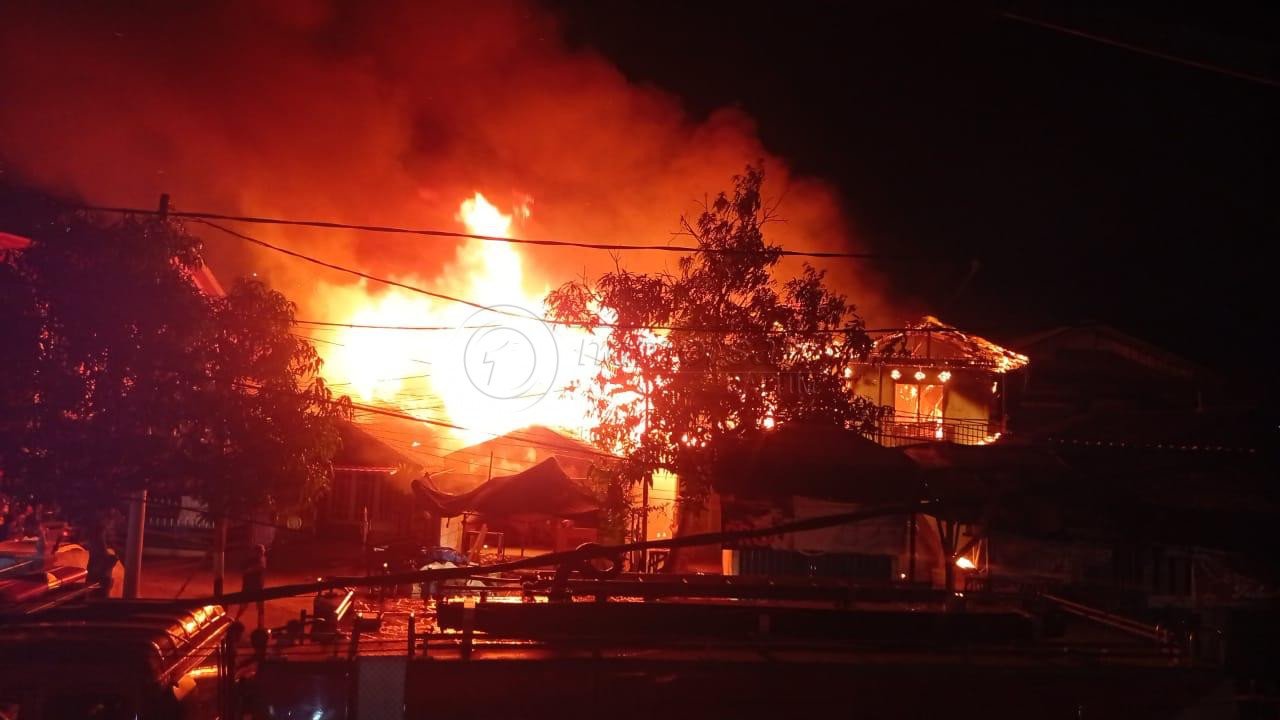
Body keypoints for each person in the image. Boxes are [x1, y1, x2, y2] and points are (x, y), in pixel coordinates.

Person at [238, 544, 268, 629]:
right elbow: (244, 571)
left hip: (259, 587)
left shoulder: (262, 560)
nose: (262, 554)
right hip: (248, 587)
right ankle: (235, 621)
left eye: (263, 552)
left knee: (261, 608)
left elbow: (261, 570)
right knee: (243, 606)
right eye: (260, 552)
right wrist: (252, 570)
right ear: (255, 552)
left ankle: (260, 626)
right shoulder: (250, 561)